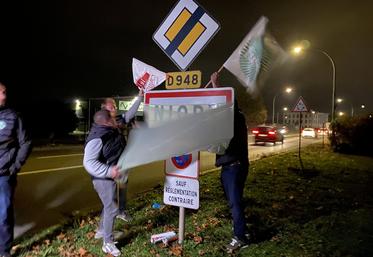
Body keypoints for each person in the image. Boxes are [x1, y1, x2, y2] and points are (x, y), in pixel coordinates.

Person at [210, 72, 250, 252]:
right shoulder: (233, 116)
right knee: (234, 201)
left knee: (235, 203)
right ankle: (243, 231)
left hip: (234, 167)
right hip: (228, 167)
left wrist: (216, 87)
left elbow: (226, 107)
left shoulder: (235, 116)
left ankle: (240, 237)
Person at [83, 109, 126, 256]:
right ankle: (107, 243)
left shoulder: (108, 130)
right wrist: (109, 171)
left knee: (108, 206)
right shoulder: (97, 138)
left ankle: (101, 231)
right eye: (114, 118)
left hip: (108, 177)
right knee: (112, 208)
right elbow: (88, 163)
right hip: (102, 179)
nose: (117, 120)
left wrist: (140, 97)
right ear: (107, 121)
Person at [100, 91, 143, 222]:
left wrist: (140, 97)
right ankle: (107, 221)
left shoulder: (118, 120)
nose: (115, 107)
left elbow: (130, 114)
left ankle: (122, 211)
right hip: (109, 163)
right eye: (111, 106)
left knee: (123, 187)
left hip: (122, 161)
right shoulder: (100, 124)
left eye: (115, 105)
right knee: (110, 193)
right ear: (104, 109)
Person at [0, 82, 32, 257]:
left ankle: (4, 250)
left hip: (4, 175)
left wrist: (14, 167)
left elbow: (25, 142)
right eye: (1, 93)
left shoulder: (12, 116)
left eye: (5, 92)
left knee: (3, 213)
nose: (4, 96)